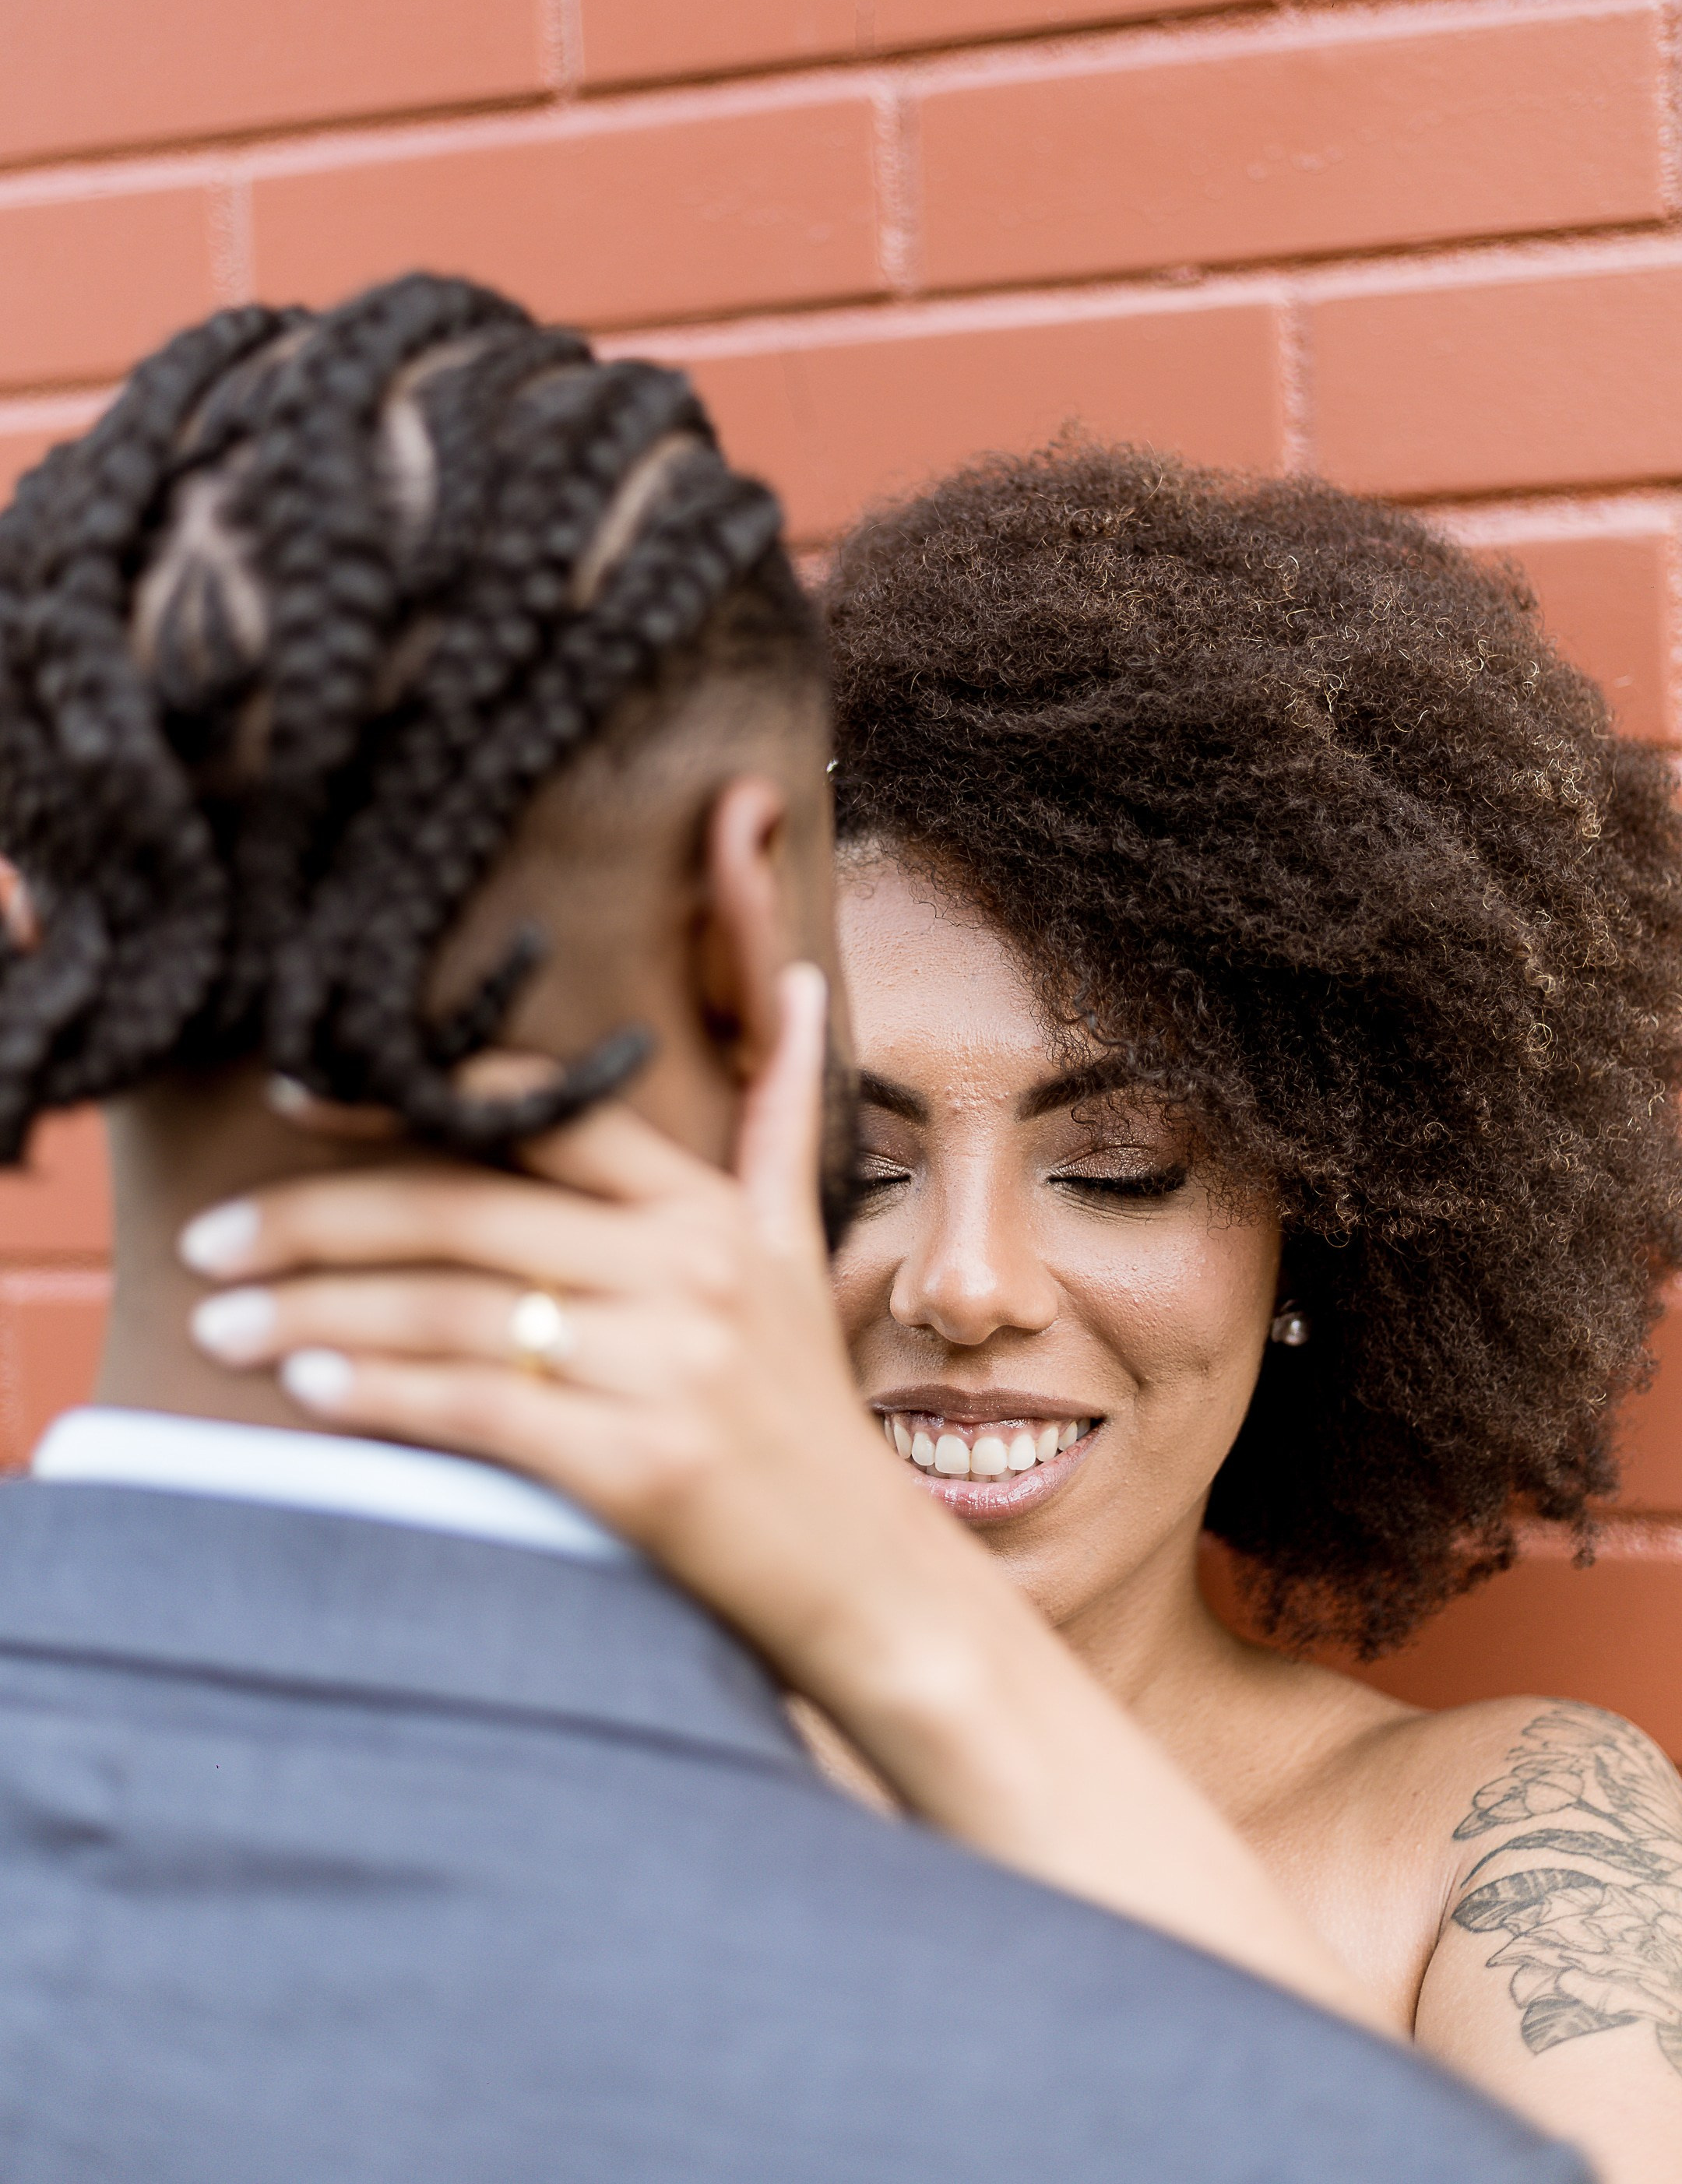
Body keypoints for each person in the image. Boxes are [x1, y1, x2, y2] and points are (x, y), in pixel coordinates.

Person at [0, 287, 1578, 2184]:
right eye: (864, 1141)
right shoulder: (773, 1914)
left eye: (1125, 1162)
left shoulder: (1502, 1840)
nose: (968, 1286)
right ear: (758, 940)